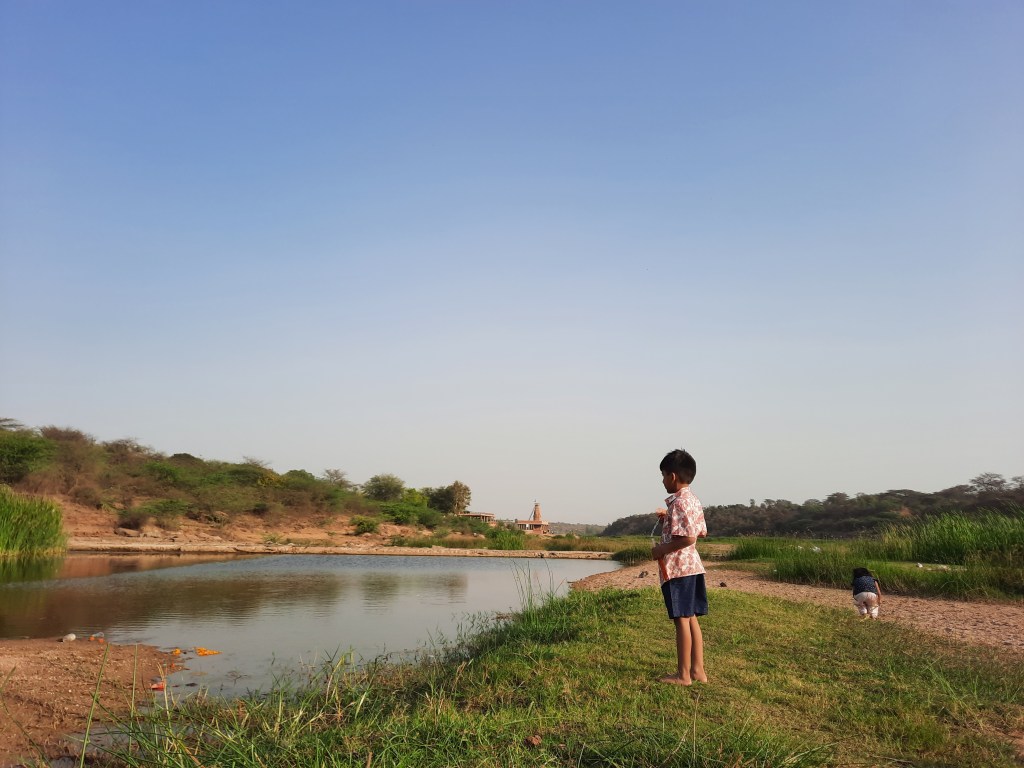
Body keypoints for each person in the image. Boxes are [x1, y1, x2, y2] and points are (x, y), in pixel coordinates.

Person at [651, 448, 708, 685]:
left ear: (672, 476)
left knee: (681, 620)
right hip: (692, 567)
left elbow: (689, 538)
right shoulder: (693, 500)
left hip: (679, 570)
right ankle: (698, 671)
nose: (663, 480)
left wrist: (661, 550)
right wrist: (667, 518)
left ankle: (683, 675)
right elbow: (699, 530)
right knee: (690, 617)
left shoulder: (680, 503)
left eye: (663, 475)